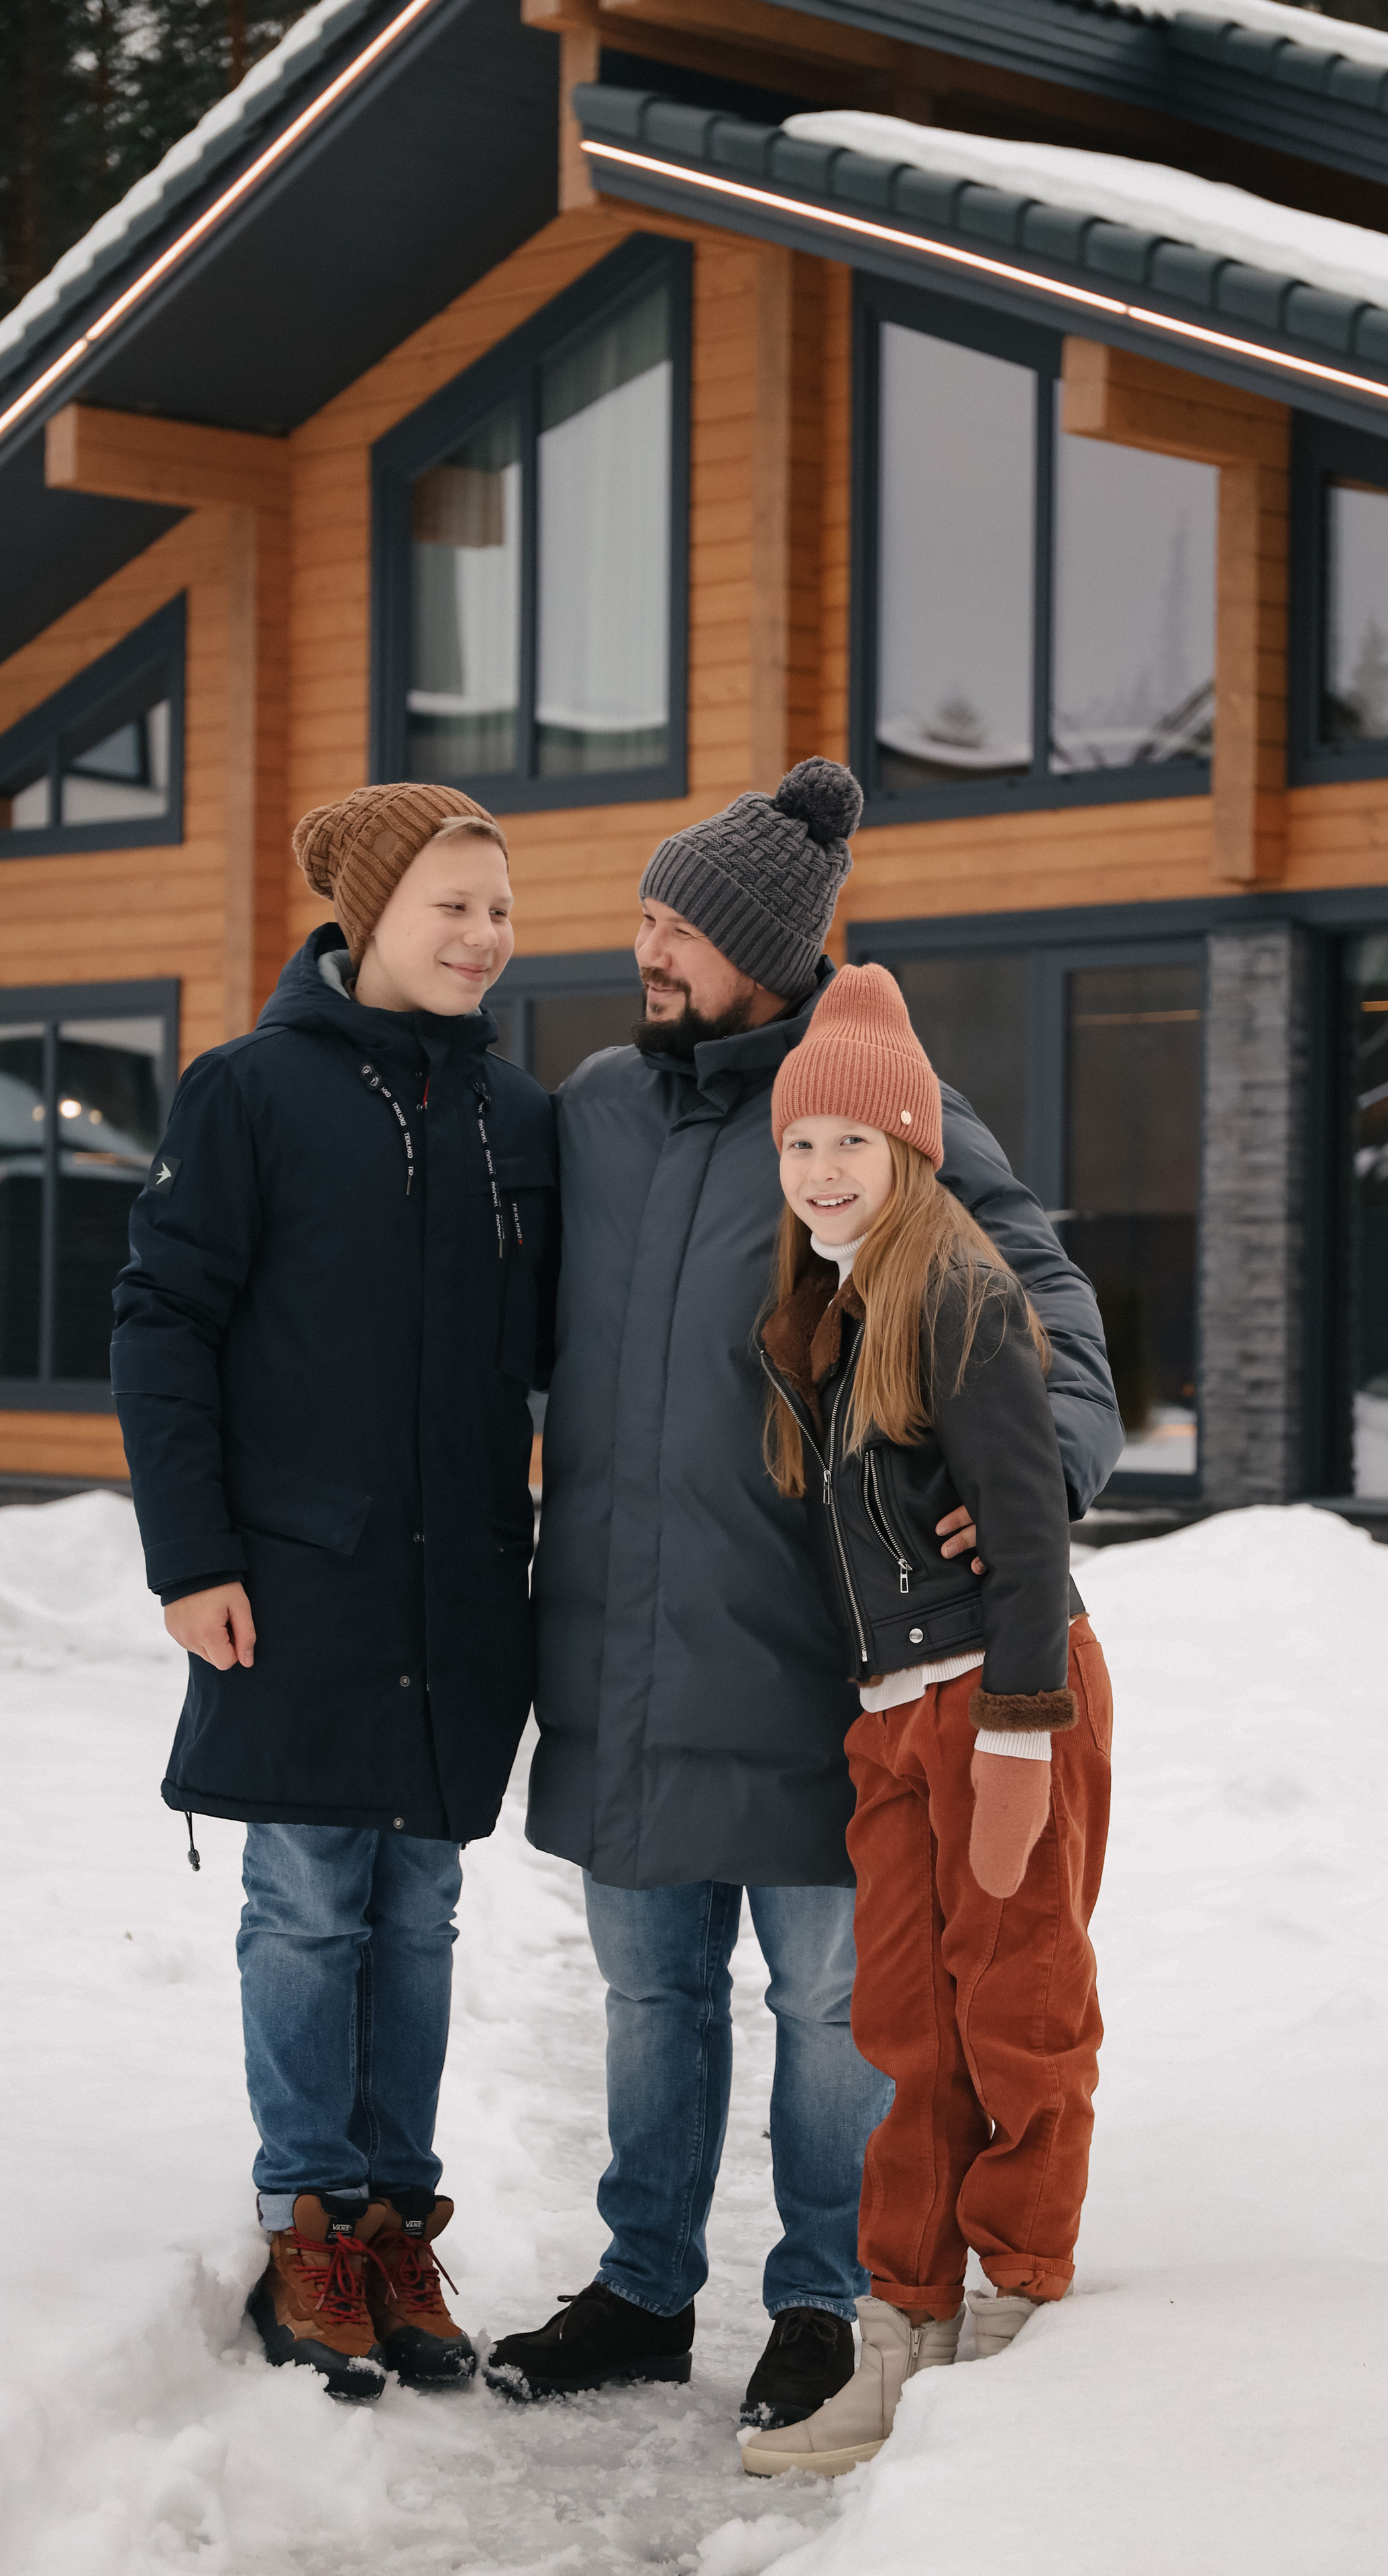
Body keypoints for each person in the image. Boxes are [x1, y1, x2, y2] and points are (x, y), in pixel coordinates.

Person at [488, 759, 1120, 2428]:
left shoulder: (870, 1106)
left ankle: (823, 2297)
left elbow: (1037, 1300)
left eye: (676, 927)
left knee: (838, 2002)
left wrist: (1032, 1477)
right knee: (645, 1989)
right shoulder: (601, 1105)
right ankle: (639, 2287)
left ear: (762, 947)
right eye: (642, 918)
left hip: (803, 1648)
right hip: (616, 1646)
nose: (647, 950)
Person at [111, 784, 558, 2400]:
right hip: (297, 1580)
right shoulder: (245, 1094)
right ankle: (308, 2216)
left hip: (458, 1593)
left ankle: (389, 2222)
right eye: (452, 904)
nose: (484, 936)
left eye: (499, 910)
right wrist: (194, 1556)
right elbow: (162, 1325)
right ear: (368, 915)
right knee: (306, 1896)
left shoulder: (520, 1117)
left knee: (418, 1908)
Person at [740, 962, 1111, 2477]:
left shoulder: (957, 1294)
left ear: (909, 1152)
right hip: (895, 1716)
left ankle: (1018, 2294)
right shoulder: (826, 1313)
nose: (823, 1172)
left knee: (1014, 2009)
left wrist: (1018, 1731)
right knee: (903, 2028)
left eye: (852, 1145)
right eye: (799, 1147)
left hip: (1001, 1698)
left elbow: (1028, 1540)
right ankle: (902, 2319)